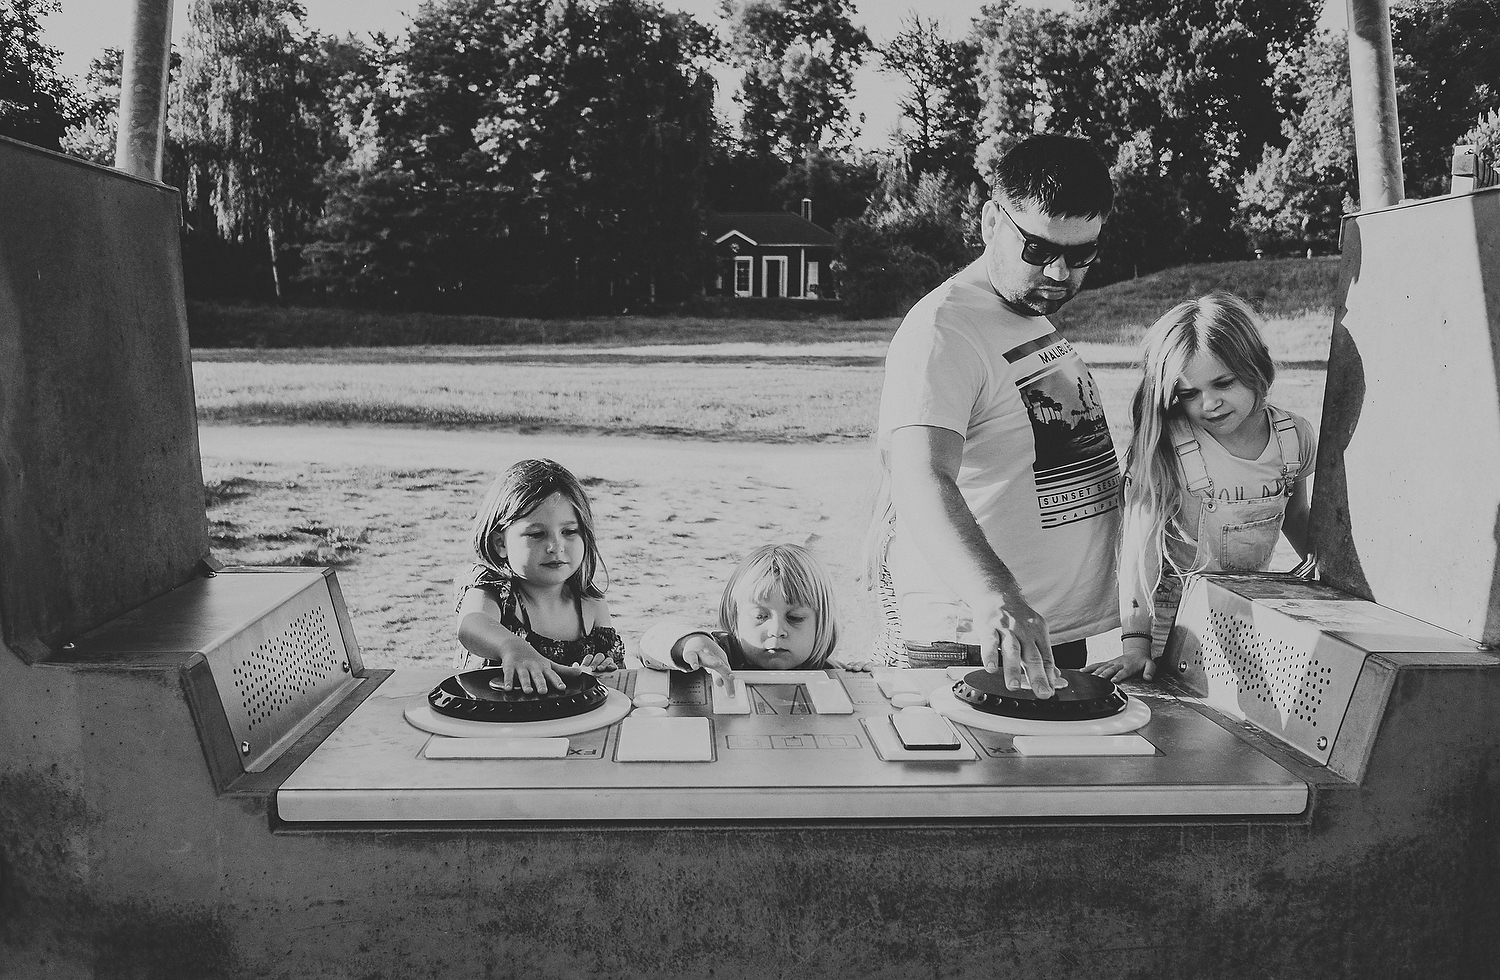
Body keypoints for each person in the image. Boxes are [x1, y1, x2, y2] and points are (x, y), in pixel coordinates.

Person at [871, 133, 1119, 698]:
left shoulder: (1025, 311)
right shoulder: (946, 327)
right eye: (1038, 248)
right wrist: (997, 597)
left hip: (1041, 631)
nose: (1060, 273)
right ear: (990, 222)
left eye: (1082, 255)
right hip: (980, 636)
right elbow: (919, 474)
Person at [1083, 292, 1315, 683]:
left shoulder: (1293, 437)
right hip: (1172, 630)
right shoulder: (1168, 447)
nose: (1209, 404)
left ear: (1255, 364)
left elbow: (1297, 516)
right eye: (1189, 393)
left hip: (1254, 617)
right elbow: (1140, 554)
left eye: (1223, 383)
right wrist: (1136, 646)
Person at [454, 458, 625, 692]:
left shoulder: (591, 604)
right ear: (500, 543)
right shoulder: (492, 588)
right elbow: (471, 625)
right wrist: (511, 646)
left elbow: (614, 677)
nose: (555, 546)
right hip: (492, 720)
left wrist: (599, 670)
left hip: (563, 721)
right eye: (536, 534)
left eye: (569, 531)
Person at [638, 543, 853, 678]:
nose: (776, 631)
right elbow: (649, 644)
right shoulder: (717, 655)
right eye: (760, 616)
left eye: (795, 618)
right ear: (735, 618)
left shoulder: (831, 673)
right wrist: (688, 644)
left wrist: (868, 675)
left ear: (821, 624)